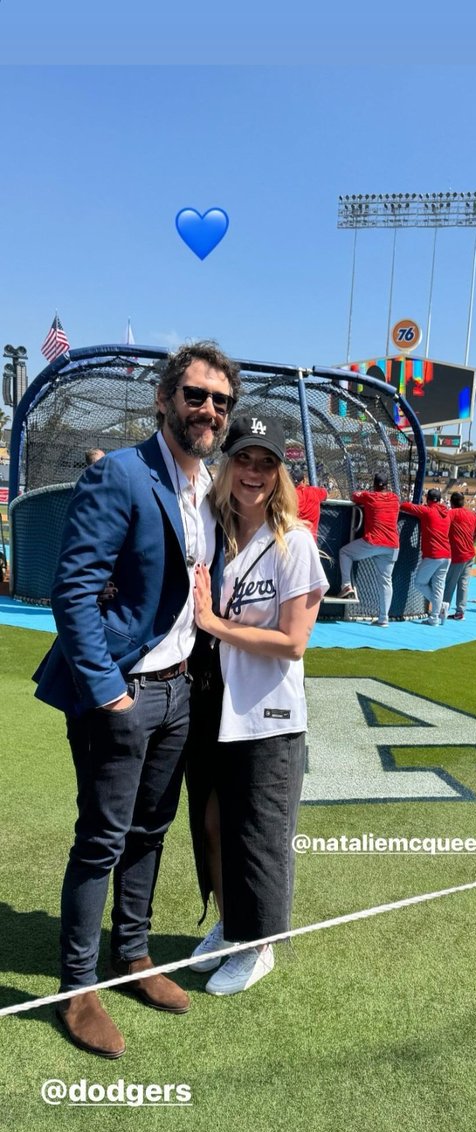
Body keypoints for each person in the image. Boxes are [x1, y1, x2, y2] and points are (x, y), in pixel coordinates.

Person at [32, 340, 239, 1058]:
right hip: (123, 693)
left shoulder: (206, 488)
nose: (207, 409)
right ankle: (76, 987)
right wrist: (109, 695)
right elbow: (73, 592)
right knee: (102, 841)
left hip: (180, 690)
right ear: (164, 399)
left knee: (150, 834)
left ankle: (134, 955)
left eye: (220, 401)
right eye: (195, 395)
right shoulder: (120, 474)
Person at [187, 412, 328, 995]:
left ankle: (260, 943)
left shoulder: (294, 542)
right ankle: (231, 924)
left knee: (260, 833)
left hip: (268, 710)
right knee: (214, 824)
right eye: (244, 458)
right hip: (211, 701)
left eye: (266, 462)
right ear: (226, 464)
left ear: (280, 473)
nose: (253, 471)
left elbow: (293, 642)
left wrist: (213, 624)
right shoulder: (211, 532)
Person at [338, 471, 400, 627]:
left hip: (373, 541)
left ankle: (346, 585)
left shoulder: (370, 496)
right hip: (392, 545)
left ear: (374, 485)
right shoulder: (394, 498)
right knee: (386, 582)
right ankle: (383, 618)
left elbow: (354, 496)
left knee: (345, 553)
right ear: (387, 485)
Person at [400, 488, 451, 625]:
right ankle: (434, 617)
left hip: (433, 554)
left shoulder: (427, 510)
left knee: (420, 583)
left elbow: (405, 506)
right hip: (446, 555)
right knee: (438, 586)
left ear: (428, 499)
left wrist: (421, 505)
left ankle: (439, 608)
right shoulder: (446, 513)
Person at [443, 492, 476, 620]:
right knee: (463, 584)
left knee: (449, 583)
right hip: (470, 554)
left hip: (458, 554)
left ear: (452, 503)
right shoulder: (471, 514)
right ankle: (460, 611)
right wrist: (472, 541)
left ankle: (442, 610)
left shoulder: (451, 513)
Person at [290, 463, 328, 541]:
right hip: (311, 540)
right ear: (304, 480)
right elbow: (326, 494)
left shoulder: (289, 495)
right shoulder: (314, 491)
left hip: (292, 539)